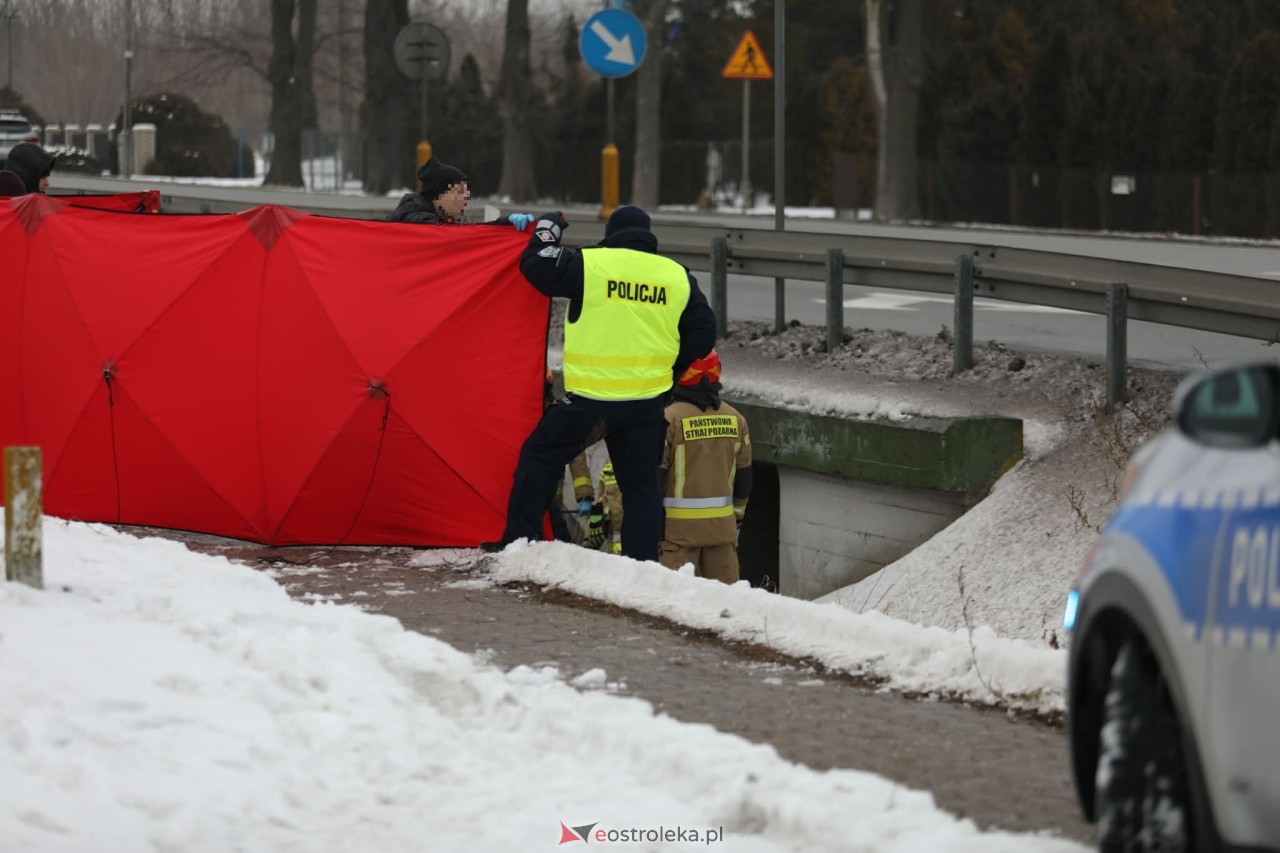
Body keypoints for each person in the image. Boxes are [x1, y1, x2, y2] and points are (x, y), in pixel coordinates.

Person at [482, 205, 716, 560]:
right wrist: (669, 372)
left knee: (540, 457)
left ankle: (521, 542)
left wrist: (549, 225)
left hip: (590, 400)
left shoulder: (591, 263)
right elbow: (703, 333)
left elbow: (537, 264)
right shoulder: (676, 274)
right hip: (645, 402)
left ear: (612, 235)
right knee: (641, 487)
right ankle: (642, 563)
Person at [658, 350, 752, 584]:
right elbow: (744, 478)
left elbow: (654, 478)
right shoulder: (736, 419)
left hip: (677, 538)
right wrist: (737, 519)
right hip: (722, 535)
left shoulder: (668, 419)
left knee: (676, 610)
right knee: (724, 610)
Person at [390, 156, 534, 231]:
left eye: (466, 193)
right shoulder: (412, 218)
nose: (465, 199)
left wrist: (506, 222)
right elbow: (463, 233)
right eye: (459, 192)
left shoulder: (440, 219)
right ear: (438, 196)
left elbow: (469, 232)